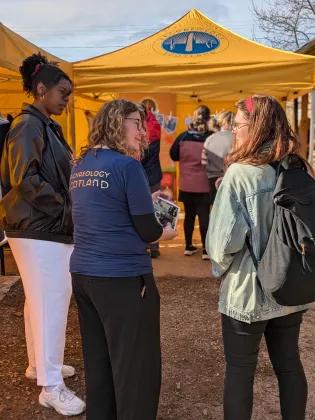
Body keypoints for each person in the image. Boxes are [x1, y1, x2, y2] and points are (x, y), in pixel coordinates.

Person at [70, 99, 177, 420]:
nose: (143, 131)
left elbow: (104, 208)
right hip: (122, 277)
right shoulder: (127, 165)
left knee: (99, 361)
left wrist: (148, 198)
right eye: (137, 122)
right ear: (118, 122)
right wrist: (168, 231)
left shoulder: (82, 164)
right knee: (136, 368)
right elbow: (148, 229)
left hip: (85, 274)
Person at [207, 95, 312, 420]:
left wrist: (219, 268)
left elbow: (223, 244)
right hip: (290, 286)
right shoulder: (298, 167)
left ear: (256, 127)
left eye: (238, 125)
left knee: (240, 371)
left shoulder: (240, 173)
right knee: (289, 365)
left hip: (248, 292)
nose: (234, 132)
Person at [0, 53, 85, 416]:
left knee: (40, 300)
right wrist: (67, 209)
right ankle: (50, 386)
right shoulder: (27, 126)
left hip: (39, 226)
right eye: (62, 92)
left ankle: (41, 366)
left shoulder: (43, 125)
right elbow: (26, 180)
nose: (67, 99)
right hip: (38, 227)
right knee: (51, 301)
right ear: (40, 89)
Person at [170, 105, 212, 260]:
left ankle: (188, 246)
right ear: (208, 119)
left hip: (187, 184)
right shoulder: (211, 137)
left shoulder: (182, 137)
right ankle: (206, 250)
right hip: (204, 184)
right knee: (204, 215)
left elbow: (173, 155)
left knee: (189, 215)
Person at [141, 99, 163, 258]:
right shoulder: (155, 124)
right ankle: (154, 245)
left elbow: (142, 154)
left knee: (141, 209)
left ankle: (146, 245)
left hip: (142, 174)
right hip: (154, 174)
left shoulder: (145, 128)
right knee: (154, 209)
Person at [201, 111, 234, 206]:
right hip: (232, 178)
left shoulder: (210, 139)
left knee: (216, 210)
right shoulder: (237, 138)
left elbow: (203, 162)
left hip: (212, 179)